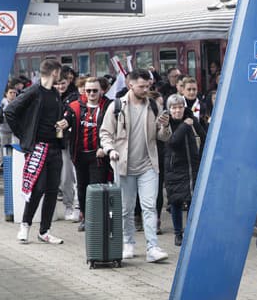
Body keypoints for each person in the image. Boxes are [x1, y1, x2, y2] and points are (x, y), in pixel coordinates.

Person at [100, 70, 172, 263]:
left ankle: (152, 247)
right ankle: (128, 242)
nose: (146, 89)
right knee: (126, 208)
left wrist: (165, 126)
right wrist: (110, 150)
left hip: (148, 164)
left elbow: (163, 137)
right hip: (123, 165)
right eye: (142, 86)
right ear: (130, 84)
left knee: (149, 207)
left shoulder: (154, 106)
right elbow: (105, 133)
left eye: (148, 86)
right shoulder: (116, 106)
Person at [3, 58, 69, 245]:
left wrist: (62, 126)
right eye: (60, 73)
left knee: (51, 189)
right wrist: (25, 136)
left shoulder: (56, 94)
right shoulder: (34, 91)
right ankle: (25, 225)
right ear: (55, 72)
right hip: (38, 148)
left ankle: (45, 231)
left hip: (55, 147)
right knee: (37, 188)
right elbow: (11, 112)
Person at [64, 76, 112, 232]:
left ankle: (97, 219)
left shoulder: (108, 106)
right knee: (82, 187)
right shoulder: (75, 106)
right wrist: (62, 125)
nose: (91, 93)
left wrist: (104, 147)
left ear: (102, 90)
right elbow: (66, 123)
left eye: (95, 90)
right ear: (84, 91)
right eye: (88, 90)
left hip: (98, 155)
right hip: (79, 155)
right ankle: (85, 217)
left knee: (96, 187)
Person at [163, 94, 205, 247]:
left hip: (192, 166)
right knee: (175, 202)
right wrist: (184, 126)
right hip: (174, 168)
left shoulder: (192, 120)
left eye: (180, 107)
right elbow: (172, 142)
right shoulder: (166, 123)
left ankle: (191, 232)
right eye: (174, 107)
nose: (177, 110)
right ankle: (178, 233)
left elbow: (204, 136)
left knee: (193, 200)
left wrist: (199, 158)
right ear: (169, 109)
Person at [55, 77, 81, 222]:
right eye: (57, 84)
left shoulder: (74, 99)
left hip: (74, 142)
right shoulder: (51, 98)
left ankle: (77, 207)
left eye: (62, 83)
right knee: (65, 178)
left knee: (77, 176)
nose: (60, 86)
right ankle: (68, 205)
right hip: (61, 143)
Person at [0, 83, 18, 166]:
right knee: (1, 152)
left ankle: (12, 168)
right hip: (3, 131)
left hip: (13, 132)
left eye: (14, 93)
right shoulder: (2, 103)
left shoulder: (18, 102)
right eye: (11, 92)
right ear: (6, 94)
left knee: (14, 151)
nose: (13, 95)